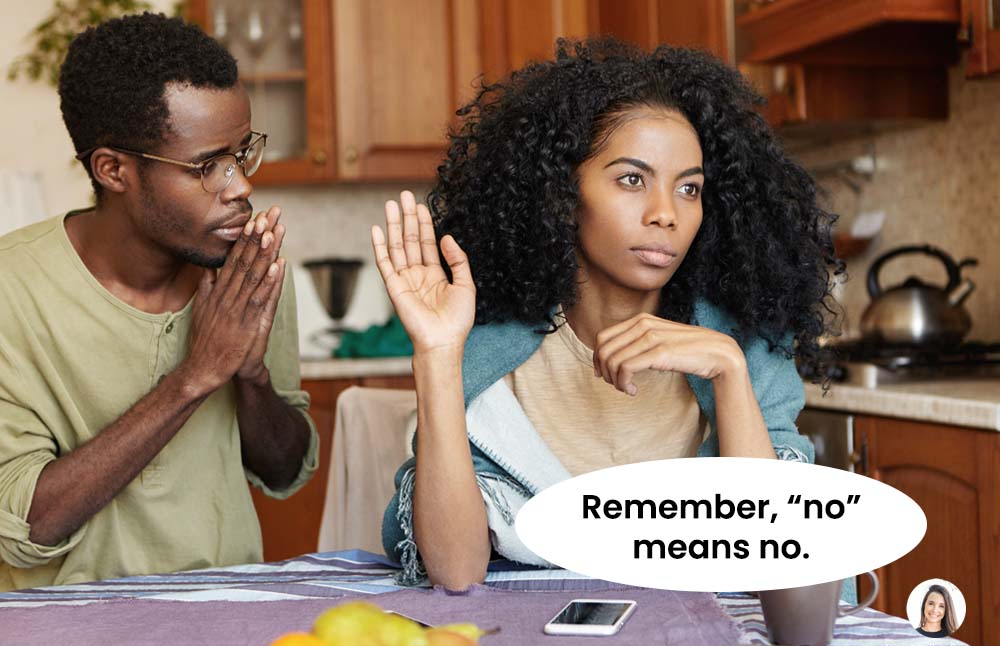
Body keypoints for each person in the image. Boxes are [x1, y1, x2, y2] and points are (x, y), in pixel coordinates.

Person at [372, 38, 840, 589]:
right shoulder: (488, 355)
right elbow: (455, 572)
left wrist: (730, 372)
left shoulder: (745, 347)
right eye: (632, 179)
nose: (666, 213)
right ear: (562, 195)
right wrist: (436, 355)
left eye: (688, 188)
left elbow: (779, 569)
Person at [0, 13, 318, 591]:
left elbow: (284, 470)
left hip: (230, 609)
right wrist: (196, 375)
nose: (240, 185)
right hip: (63, 630)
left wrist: (250, 376)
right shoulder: (10, 291)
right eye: (206, 166)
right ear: (114, 170)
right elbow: (26, 524)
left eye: (242, 153)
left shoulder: (247, 271)